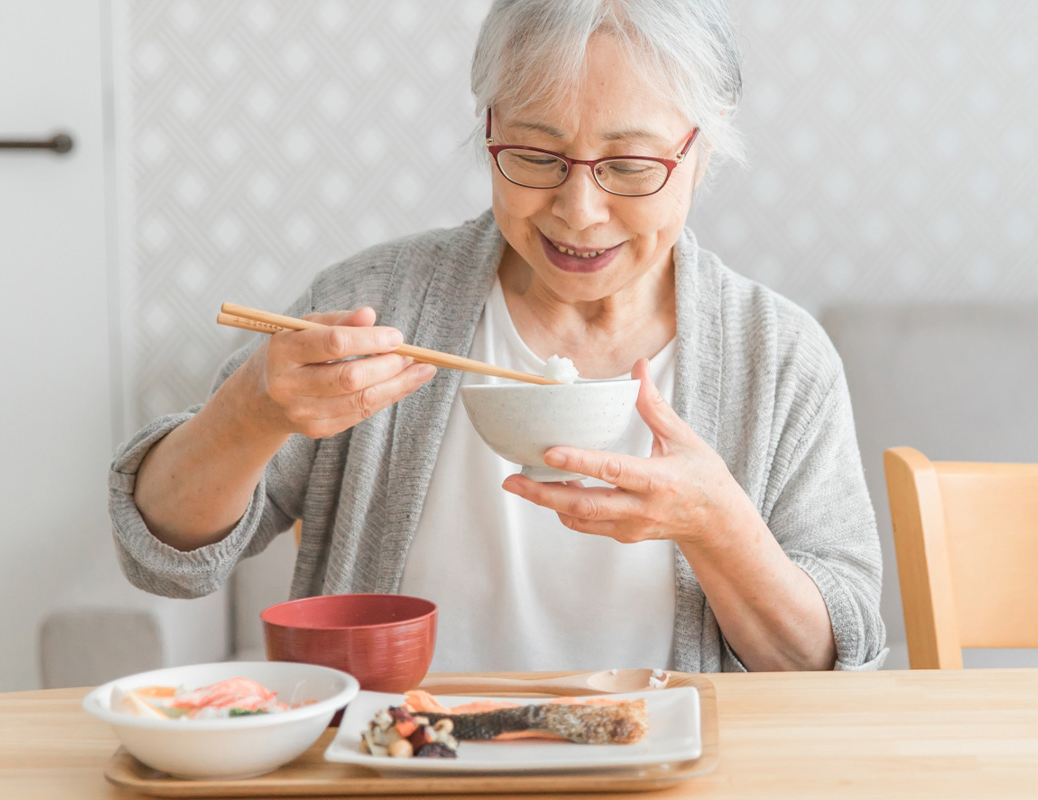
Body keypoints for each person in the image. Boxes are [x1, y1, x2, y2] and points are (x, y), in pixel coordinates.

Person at [109, 0, 887, 673]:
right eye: (536, 156)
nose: (579, 210)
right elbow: (162, 557)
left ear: (703, 151)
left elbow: (832, 660)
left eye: (629, 164)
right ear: (489, 128)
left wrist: (717, 525)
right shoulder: (376, 305)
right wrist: (252, 409)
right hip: (397, 770)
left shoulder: (780, 357)